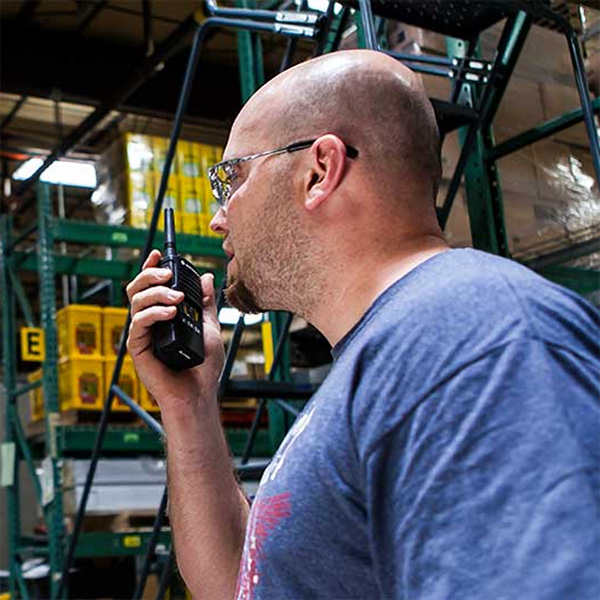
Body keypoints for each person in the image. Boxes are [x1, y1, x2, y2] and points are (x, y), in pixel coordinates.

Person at [126, 50, 600, 600]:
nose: (217, 215)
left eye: (232, 178)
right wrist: (188, 405)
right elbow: (242, 586)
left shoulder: (471, 333)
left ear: (319, 171)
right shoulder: (388, 356)